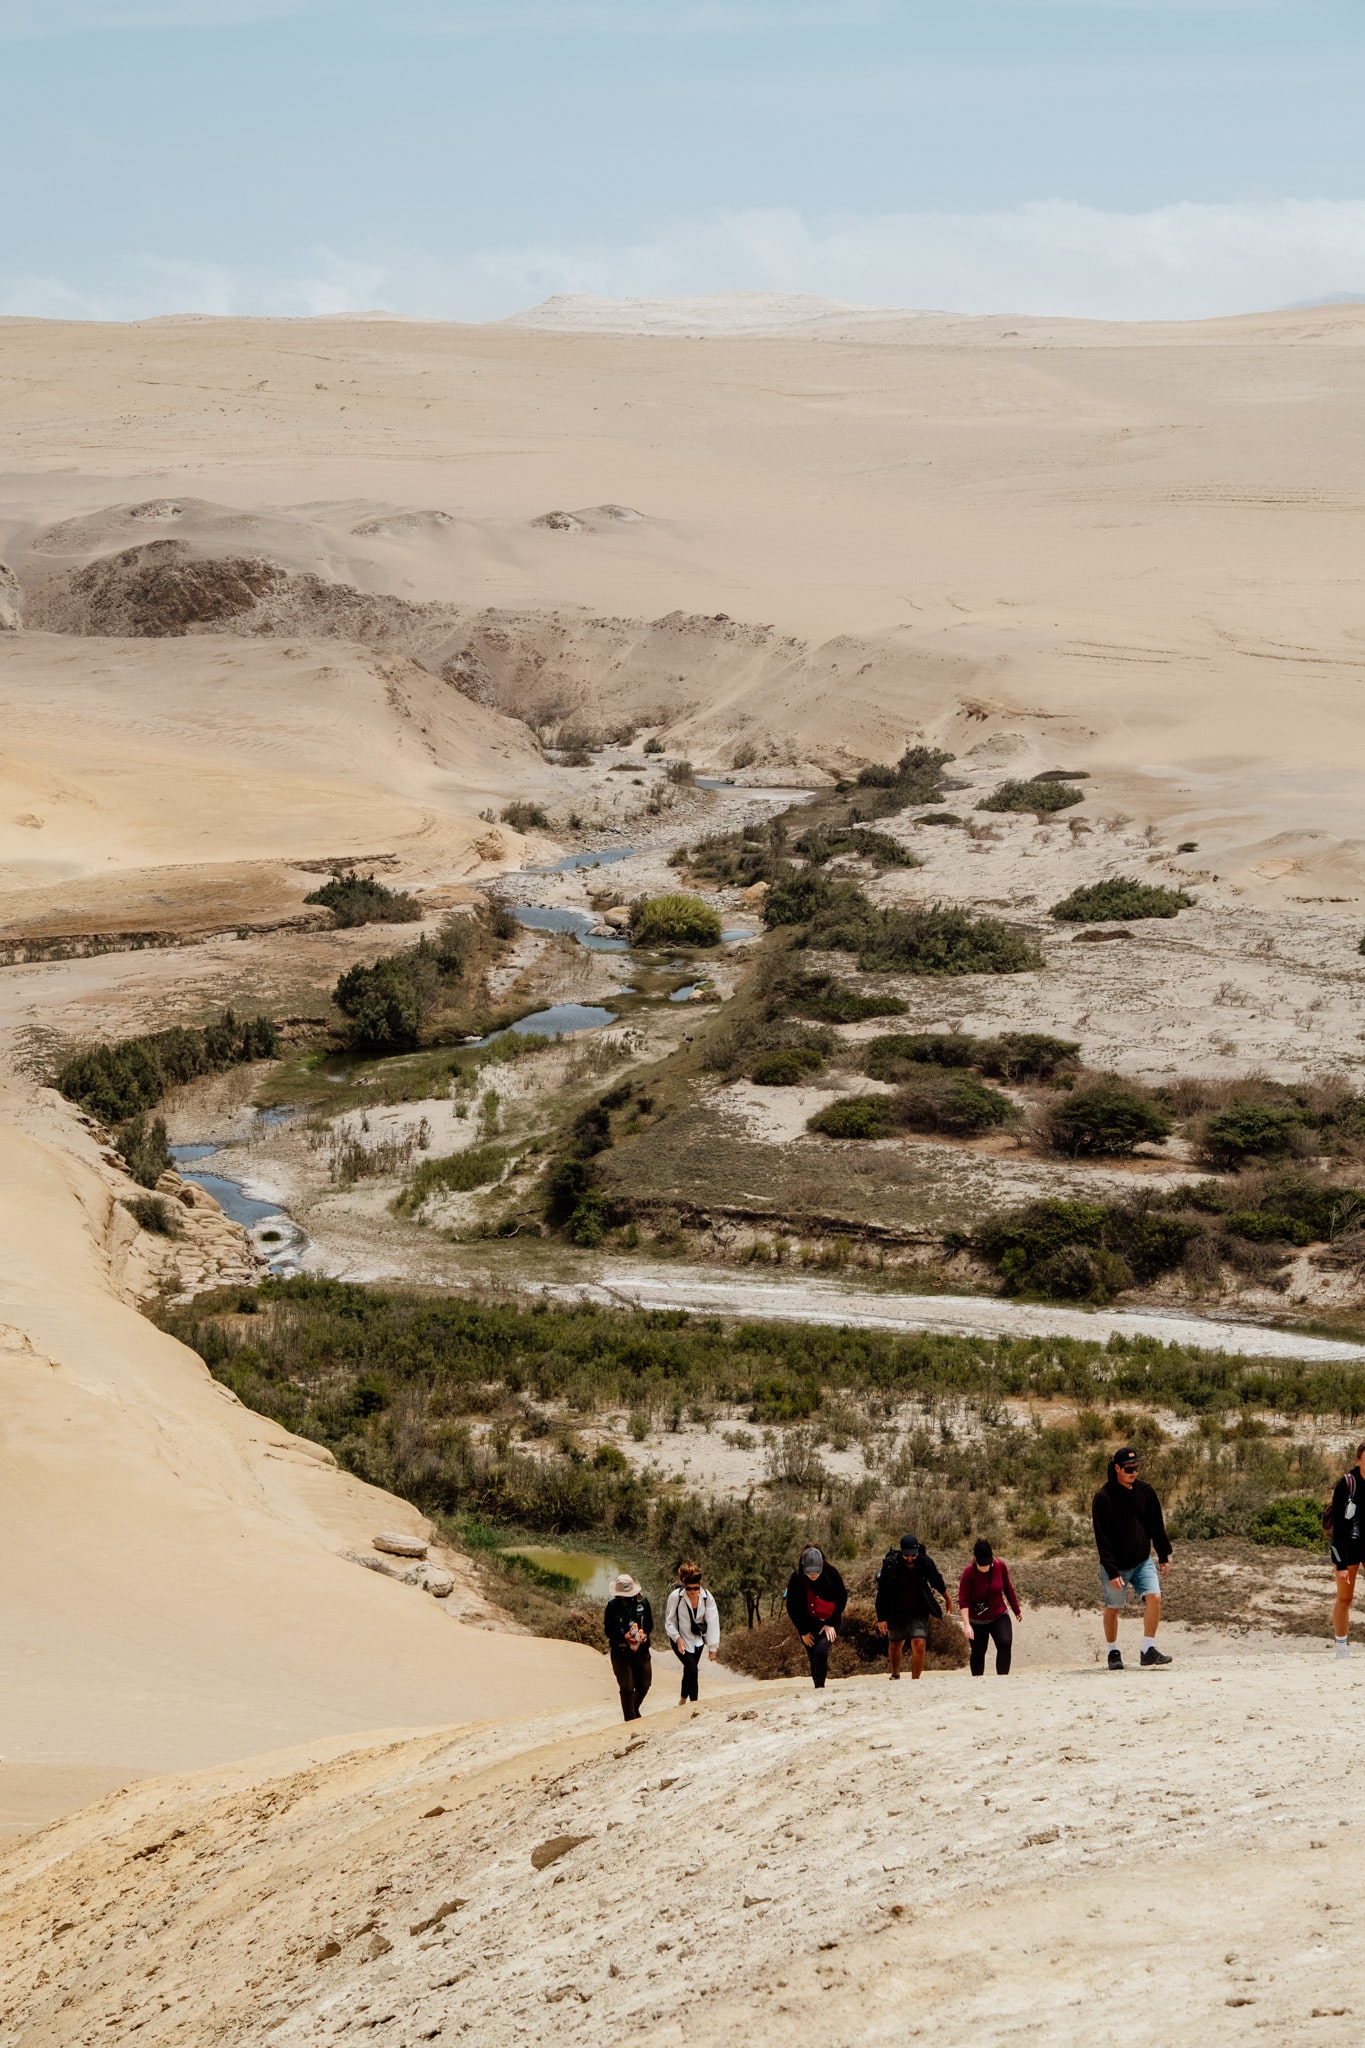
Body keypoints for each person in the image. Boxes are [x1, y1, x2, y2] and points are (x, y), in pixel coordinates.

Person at [1092, 1446, 1172, 1669]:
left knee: (1154, 1597)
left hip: (1142, 1560)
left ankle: (1148, 1649)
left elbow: (1157, 1525)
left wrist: (1163, 1555)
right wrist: (1112, 1571)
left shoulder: (1145, 1491)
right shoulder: (1103, 1498)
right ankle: (1113, 1652)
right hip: (1116, 1565)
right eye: (1129, 1469)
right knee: (1113, 1607)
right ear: (1117, 1468)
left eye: (1136, 1468)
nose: (1134, 1472)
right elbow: (1102, 1539)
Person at [875, 1533, 953, 1680]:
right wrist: (882, 1618)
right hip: (896, 1610)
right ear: (901, 1552)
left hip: (919, 1609)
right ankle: (895, 1674)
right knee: (895, 1644)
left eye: (913, 1555)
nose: (910, 1558)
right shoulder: (891, 1565)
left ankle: (915, 1681)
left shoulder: (925, 1562)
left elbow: (937, 1581)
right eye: (906, 1555)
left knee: (919, 1643)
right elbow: (883, 1593)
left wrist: (947, 1599)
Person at [784, 1545, 847, 1689]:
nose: (813, 1575)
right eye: (809, 1572)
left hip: (831, 1620)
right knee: (813, 1656)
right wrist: (803, 1631)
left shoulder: (831, 1573)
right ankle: (818, 1687)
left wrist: (831, 1623)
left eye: (816, 1571)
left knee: (821, 1650)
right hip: (807, 1623)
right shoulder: (796, 1578)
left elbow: (842, 1598)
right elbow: (791, 1607)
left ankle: (821, 1687)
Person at [957, 1538, 1022, 1677]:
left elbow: (1008, 1589)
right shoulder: (969, 1572)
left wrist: (1016, 1610)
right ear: (975, 1559)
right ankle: (977, 1681)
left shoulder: (1000, 1566)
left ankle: (1003, 1679)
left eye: (987, 1563)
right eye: (982, 1564)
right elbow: (963, 1600)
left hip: (999, 1614)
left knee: (1005, 1643)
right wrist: (967, 1625)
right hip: (977, 1621)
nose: (985, 1567)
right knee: (979, 1652)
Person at [1328, 1441, 1365, 1657]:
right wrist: (1340, 1563)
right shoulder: (1346, 1484)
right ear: (1357, 1460)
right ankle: (1341, 1646)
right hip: (1348, 1547)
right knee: (1345, 1598)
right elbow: (1338, 1528)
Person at [664, 1562, 720, 1704]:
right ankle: (694, 1704)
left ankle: (682, 1700)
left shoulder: (707, 1597)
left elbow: (713, 1622)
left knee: (689, 1671)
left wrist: (712, 1648)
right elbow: (669, 1621)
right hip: (680, 1639)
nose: (693, 1592)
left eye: (696, 1588)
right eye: (689, 1589)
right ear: (684, 1585)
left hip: (697, 1641)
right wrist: (677, 1638)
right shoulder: (676, 1597)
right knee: (693, 1670)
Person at [604, 1572, 653, 1720]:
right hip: (621, 1652)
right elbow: (608, 1630)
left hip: (642, 1651)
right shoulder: (612, 1607)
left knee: (645, 1684)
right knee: (626, 1687)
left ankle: (634, 1709)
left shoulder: (643, 1603)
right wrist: (623, 1637)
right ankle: (630, 1719)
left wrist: (645, 1635)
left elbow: (649, 1624)